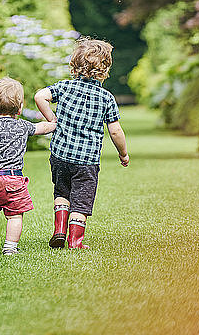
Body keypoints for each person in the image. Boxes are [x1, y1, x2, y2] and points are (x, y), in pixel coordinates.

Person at [34, 37, 129, 249]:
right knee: (82, 200)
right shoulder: (106, 98)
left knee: (62, 193)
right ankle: (75, 241)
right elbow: (115, 130)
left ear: (75, 65)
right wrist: (123, 154)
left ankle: (59, 230)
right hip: (87, 161)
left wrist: (52, 120)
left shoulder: (64, 87)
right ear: (105, 70)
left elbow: (40, 96)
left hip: (60, 155)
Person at [0, 77, 56, 255]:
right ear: (20, 108)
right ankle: (10, 247)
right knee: (15, 215)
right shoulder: (23, 126)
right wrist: (54, 124)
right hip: (13, 179)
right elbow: (41, 127)